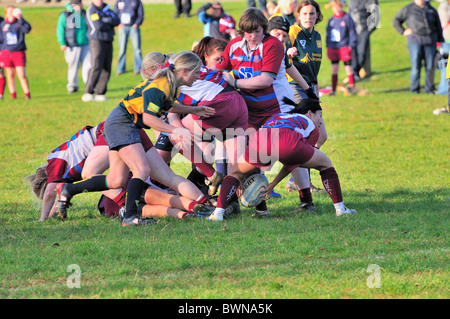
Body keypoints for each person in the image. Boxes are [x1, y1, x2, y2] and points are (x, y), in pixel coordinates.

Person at [56, 51, 217, 227]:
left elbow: (167, 105)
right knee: (142, 170)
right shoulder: (160, 86)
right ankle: (130, 216)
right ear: (184, 71)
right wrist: (177, 130)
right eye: (196, 72)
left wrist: (194, 110)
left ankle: (69, 189)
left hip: (127, 124)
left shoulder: (172, 85)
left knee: (115, 180)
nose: (198, 76)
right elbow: (149, 118)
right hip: (122, 123)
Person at [208, 98, 356, 221]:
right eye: (320, 115)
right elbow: (294, 163)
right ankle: (340, 209)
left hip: (261, 138)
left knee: (235, 173)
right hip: (286, 139)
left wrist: (265, 183)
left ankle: (218, 213)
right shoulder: (310, 126)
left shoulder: (278, 116)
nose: (321, 121)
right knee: (326, 165)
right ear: (309, 113)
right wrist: (273, 184)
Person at [217, 7, 286, 215]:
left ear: (264, 29)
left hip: (271, 111)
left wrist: (235, 81)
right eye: (248, 32)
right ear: (242, 31)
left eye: (257, 31)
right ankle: (233, 205)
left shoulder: (273, 45)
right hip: (243, 113)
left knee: (265, 158)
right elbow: (221, 70)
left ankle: (306, 200)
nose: (253, 36)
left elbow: (265, 80)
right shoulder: (233, 46)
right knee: (239, 162)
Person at [25, 121, 153, 221]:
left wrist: (43, 219)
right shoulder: (63, 170)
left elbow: (49, 193)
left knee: (91, 176)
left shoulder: (53, 162)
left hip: (107, 132)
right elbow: (56, 194)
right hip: (114, 129)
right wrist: (52, 216)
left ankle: (124, 203)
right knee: (154, 171)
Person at [285, 0, 328, 198]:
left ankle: (295, 179)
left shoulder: (317, 36)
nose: (309, 17)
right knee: (307, 133)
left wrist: (316, 90)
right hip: (295, 86)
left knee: (321, 136)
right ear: (298, 15)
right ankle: (303, 183)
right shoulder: (293, 33)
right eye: (305, 14)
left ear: (317, 15)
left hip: (310, 87)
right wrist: (288, 52)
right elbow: (281, 54)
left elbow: (314, 68)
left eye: (312, 13)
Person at [393, 0, 444, 94]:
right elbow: (396, 20)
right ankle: (414, 89)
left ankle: (429, 88)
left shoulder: (431, 9)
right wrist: (403, 31)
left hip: (430, 40)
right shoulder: (408, 9)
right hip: (415, 41)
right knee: (416, 66)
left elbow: (438, 25)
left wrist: (440, 40)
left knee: (430, 66)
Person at [82, 0, 120, 102]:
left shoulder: (106, 9)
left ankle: (101, 93)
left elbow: (117, 20)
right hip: (97, 40)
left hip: (108, 39)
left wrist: (105, 20)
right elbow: (98, 26)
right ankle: (88, 92)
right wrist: (109, 22)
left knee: (107, 67)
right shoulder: (92, 10)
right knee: (96, 66)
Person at [57, 0, 91, 94]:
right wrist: (62, 43)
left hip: (85, 43)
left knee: (88, 66)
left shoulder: (84, 13)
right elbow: (60, 29)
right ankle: (72, 85)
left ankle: (89, 84)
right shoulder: (66, 15)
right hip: (72, 45)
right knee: (73, 66)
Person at [326, 0, 357, 95]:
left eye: (339, 6)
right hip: (333, 47)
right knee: (334, 69)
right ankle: (333, 90)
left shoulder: (347, 17)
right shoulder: (331, 20)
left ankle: (352, 88)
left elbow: (352, 32)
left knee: (348, 68)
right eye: (334, 6)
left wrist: (351, 45)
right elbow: (327, 34)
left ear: (342, 6)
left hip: (344, 46)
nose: (337, 8)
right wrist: (328, 45)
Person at [0, 6, 31, 100]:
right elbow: (1, 40)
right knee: (10, 75)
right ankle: (13, 95)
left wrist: (20, 19)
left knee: (21, 74)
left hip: (18, 52)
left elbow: (27, 29)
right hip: (6, 53)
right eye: (8, 11)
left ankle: (27, 95)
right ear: (6, 13)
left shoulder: (19, 22)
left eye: (12, 11)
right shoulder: (3, 24)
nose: (11, 13)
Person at [348, 0, 379, 80]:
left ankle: (358, 72)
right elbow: (349, 14)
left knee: (362, 53)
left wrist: (369, 30)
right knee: (353, 53)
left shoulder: (371, 1)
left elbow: (375, 16)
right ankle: (354, 73)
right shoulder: (352, 1)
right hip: (353, 31)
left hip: (365, 30)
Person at [114, 0, 144, 76]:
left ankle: (138, 68)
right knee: (122, 49)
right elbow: (115, 13)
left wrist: (136, 24)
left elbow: (141, 14)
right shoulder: (119, 1)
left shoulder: (136, 1)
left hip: (133, 27)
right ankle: (120, 69)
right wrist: (118, 23)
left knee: (137, 49)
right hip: (122, 27)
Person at [437, 0, 450, 95]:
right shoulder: (443, 7)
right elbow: (445, 19)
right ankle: (443, 89)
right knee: (445, 66)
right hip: (446, 41)